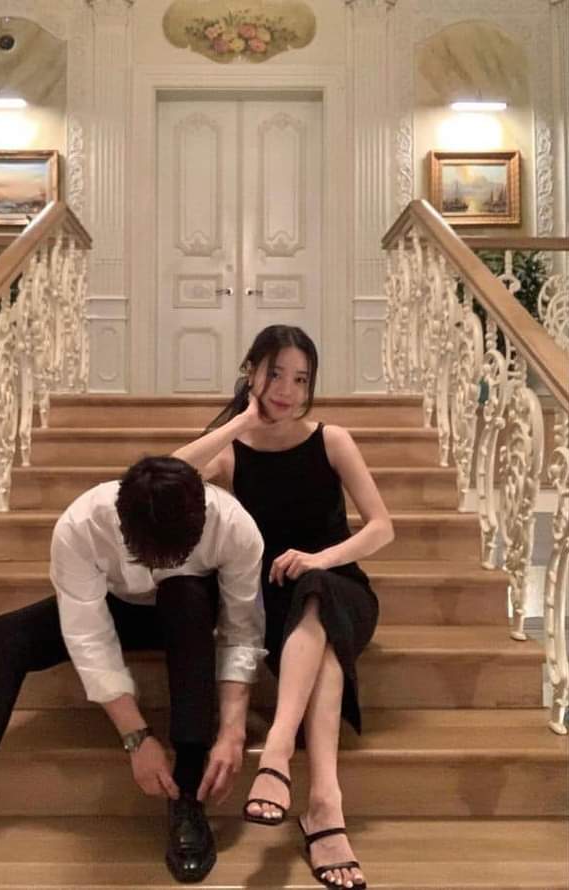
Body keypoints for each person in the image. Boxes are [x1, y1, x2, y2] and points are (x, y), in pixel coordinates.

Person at [0, 456, 266, 884]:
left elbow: (241, 634)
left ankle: (188, 798)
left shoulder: (234, 527)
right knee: (6, 635)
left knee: (186, 596)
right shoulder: (83, 524)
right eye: (146, 556)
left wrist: (232, 732)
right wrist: (136, 736)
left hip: (189, 617)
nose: (156, 567)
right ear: (123, 525)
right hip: (117, 607)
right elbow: (88, 635)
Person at [173, 325, 394, 890]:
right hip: (275, 603)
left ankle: (276, 752)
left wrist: (320, 558)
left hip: (343, 585)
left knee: (319, 591)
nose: (288, 390)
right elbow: (168, 479)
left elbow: (381, 528)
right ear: (251, 372)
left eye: (301, 379)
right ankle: (324, 806)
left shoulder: (332, 440)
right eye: (275, 374)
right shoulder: (232, 452)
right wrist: (242, 421)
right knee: (323, 642)